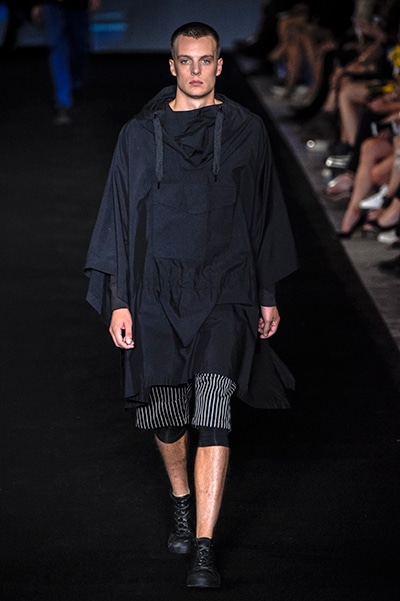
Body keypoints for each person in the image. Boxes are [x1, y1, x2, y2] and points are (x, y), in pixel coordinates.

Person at [85, 22, 297, 589]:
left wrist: (266, 294)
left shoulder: (247, 131)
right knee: (167, 414)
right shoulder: (138, 135)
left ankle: (204, 546)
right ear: (172, 65)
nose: (197, 70)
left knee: (213, 406)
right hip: (155, 291)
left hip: (226, 287)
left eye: (206, 60)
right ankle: (182, 498)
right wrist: (119, 301)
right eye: (187, 60)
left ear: (220, 66)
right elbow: (120, 216)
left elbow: (263, 213)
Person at [31, 0, 101, 124]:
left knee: (80, 48)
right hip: (53, 5)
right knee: (57, 47)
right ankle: (63, 101)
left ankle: (74, 83)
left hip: (78, 5)